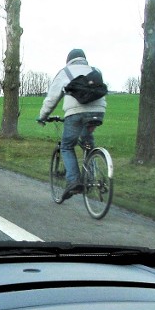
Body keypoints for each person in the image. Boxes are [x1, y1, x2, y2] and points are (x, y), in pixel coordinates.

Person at [37, 49, 107, 200]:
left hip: (75, 113)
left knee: (67, 146)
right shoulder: (95, 71)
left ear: (68, 60)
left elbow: (52, 98)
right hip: (98, 112)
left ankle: (74, 181)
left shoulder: (65, 72)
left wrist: (43, 116)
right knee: (87, 142)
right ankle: (93, 175)